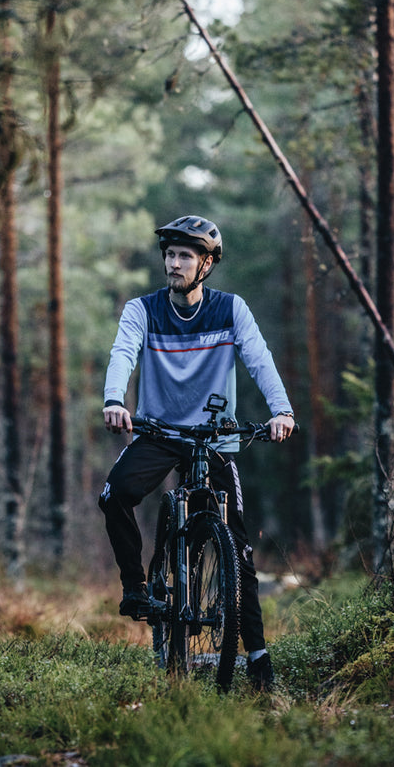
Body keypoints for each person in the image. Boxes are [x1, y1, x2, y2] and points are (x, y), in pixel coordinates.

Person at [98, 214, 295, 691]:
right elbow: (123, 354)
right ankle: (136, 588)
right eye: (170, 254)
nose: (174, 263)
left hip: (215, 436)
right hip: (159, 432)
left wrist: (282, 410)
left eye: (185, 256)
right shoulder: (142, 311)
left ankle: (259, 658)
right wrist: (114, 400)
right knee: (114, 494)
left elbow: (259, 360)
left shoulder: (230, 310)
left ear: (206, 264)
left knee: (240, 551)